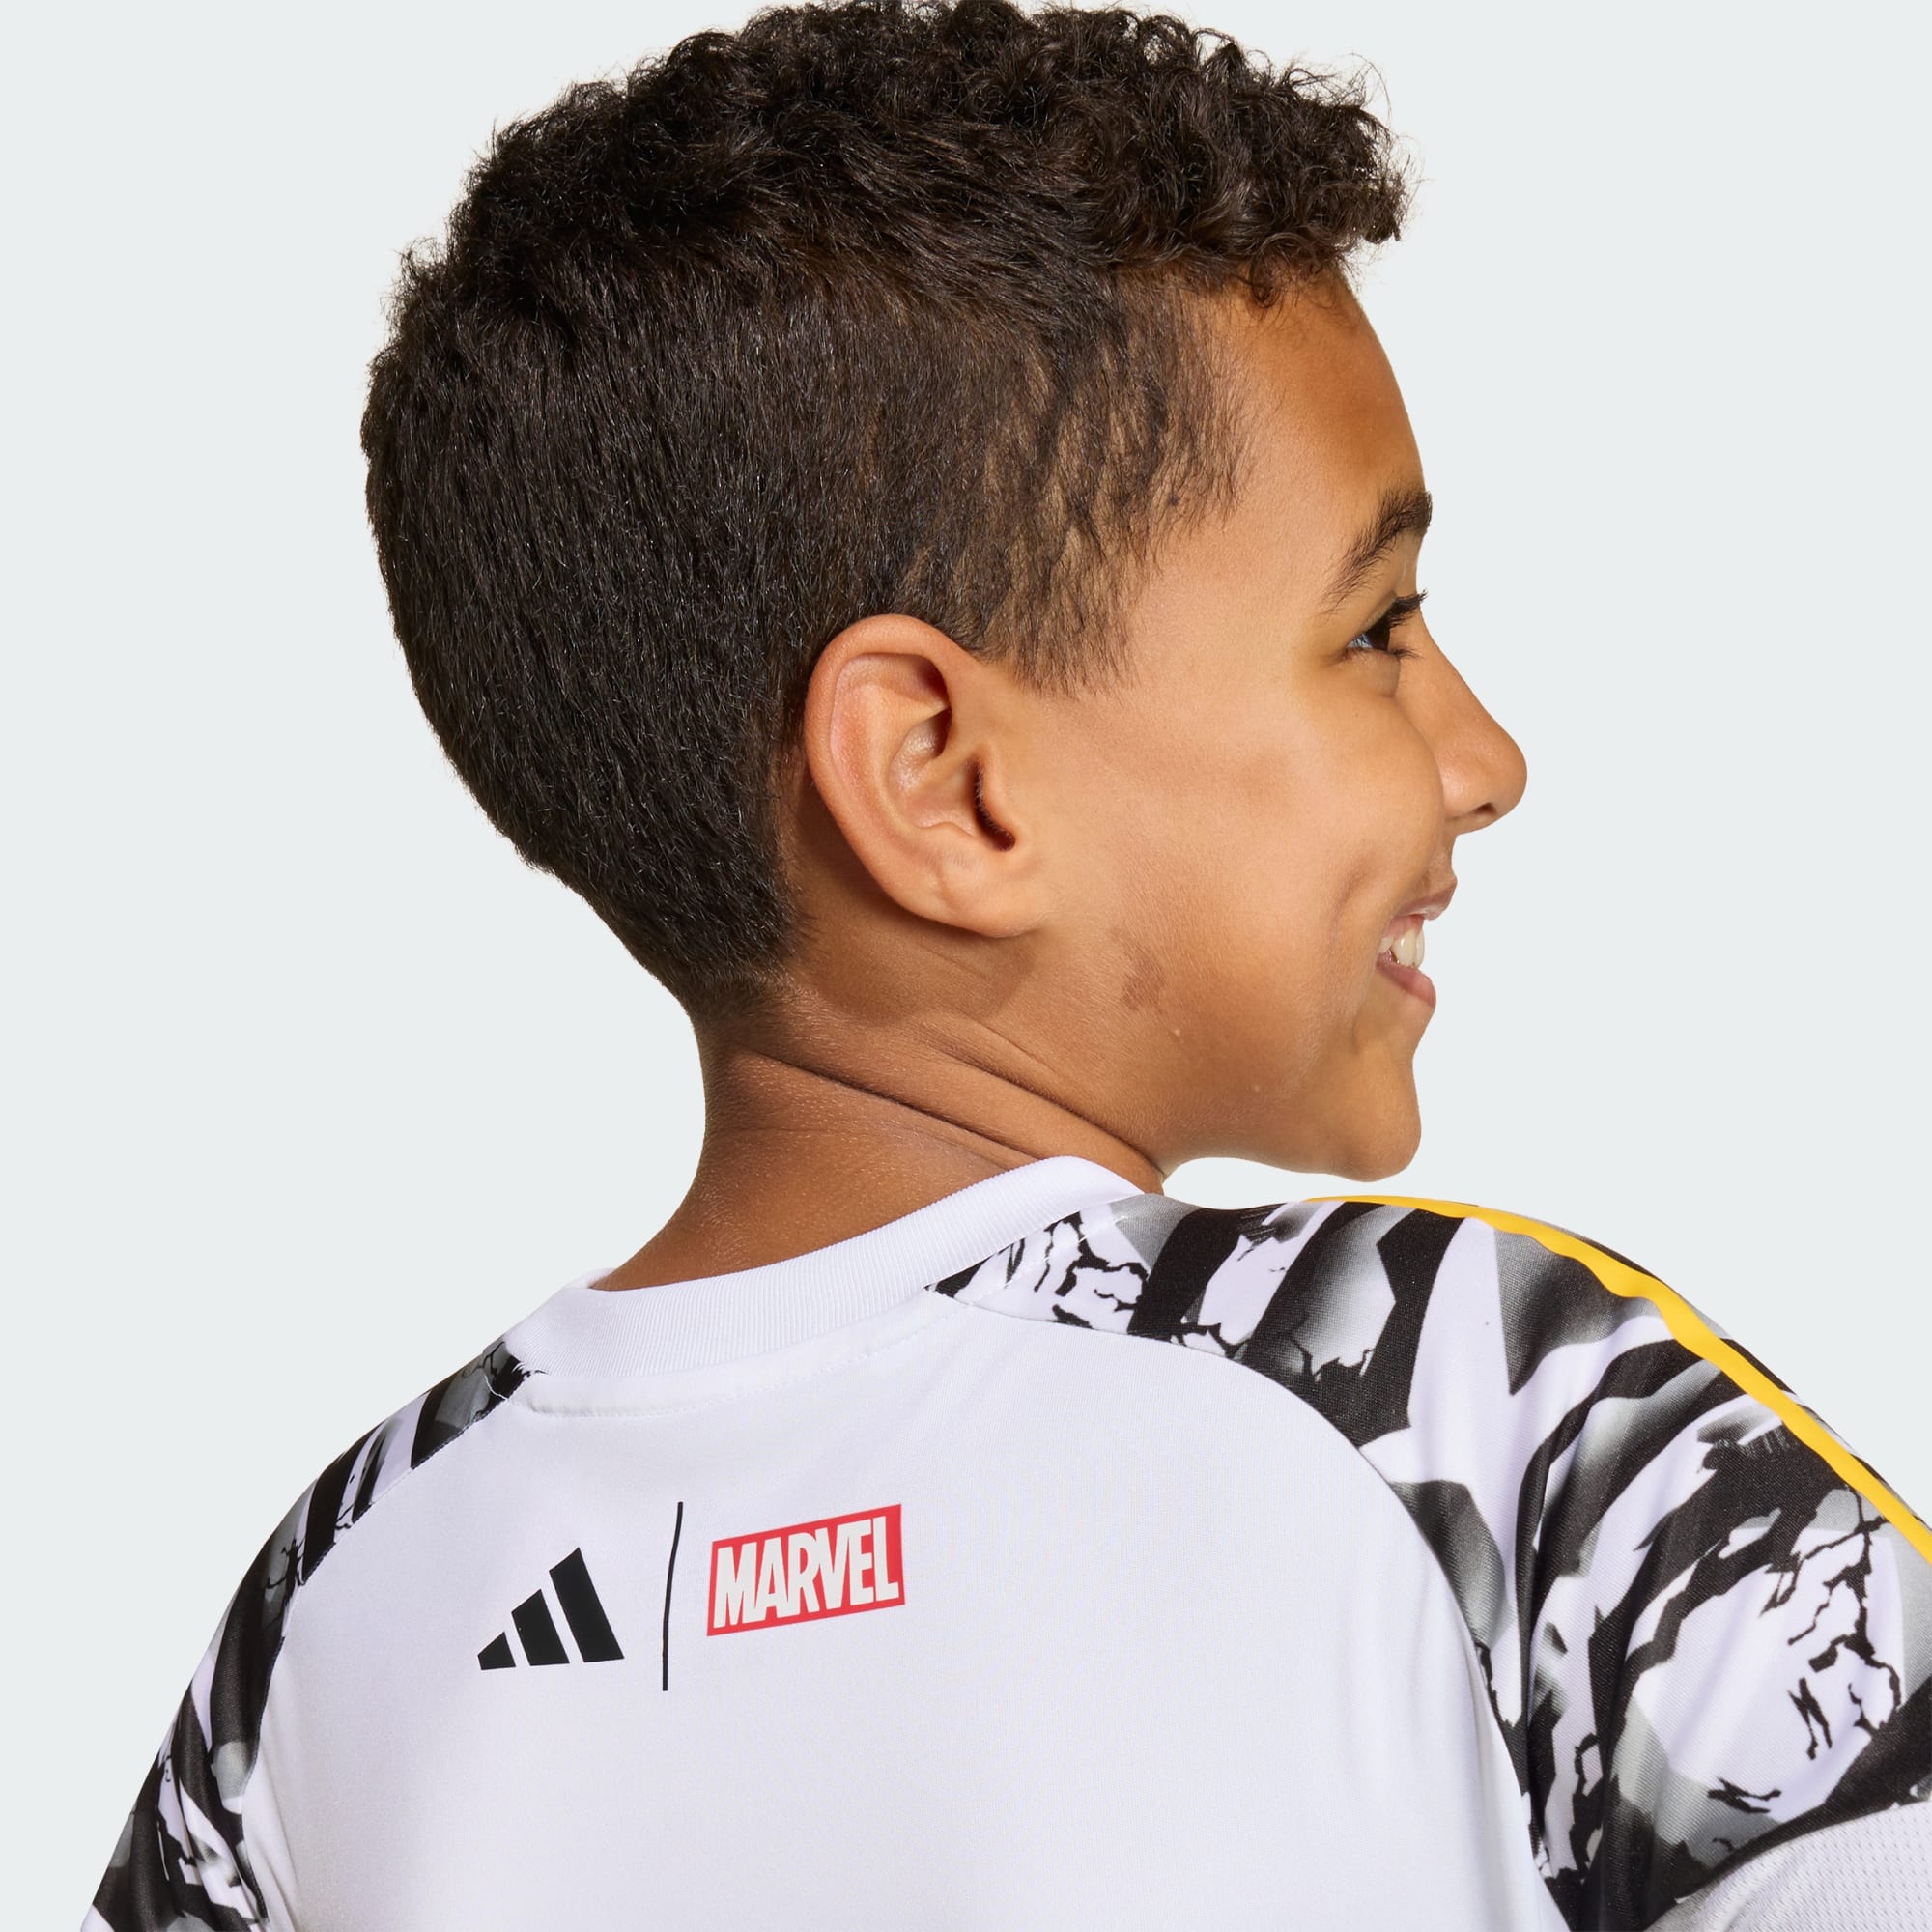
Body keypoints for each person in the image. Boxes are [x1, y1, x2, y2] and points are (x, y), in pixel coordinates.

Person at [84, 1, 1930, 1927]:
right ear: (944, 781)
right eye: (1376, 628)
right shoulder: (1463, 1402)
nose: (1484, 757)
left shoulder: (335, 1610)